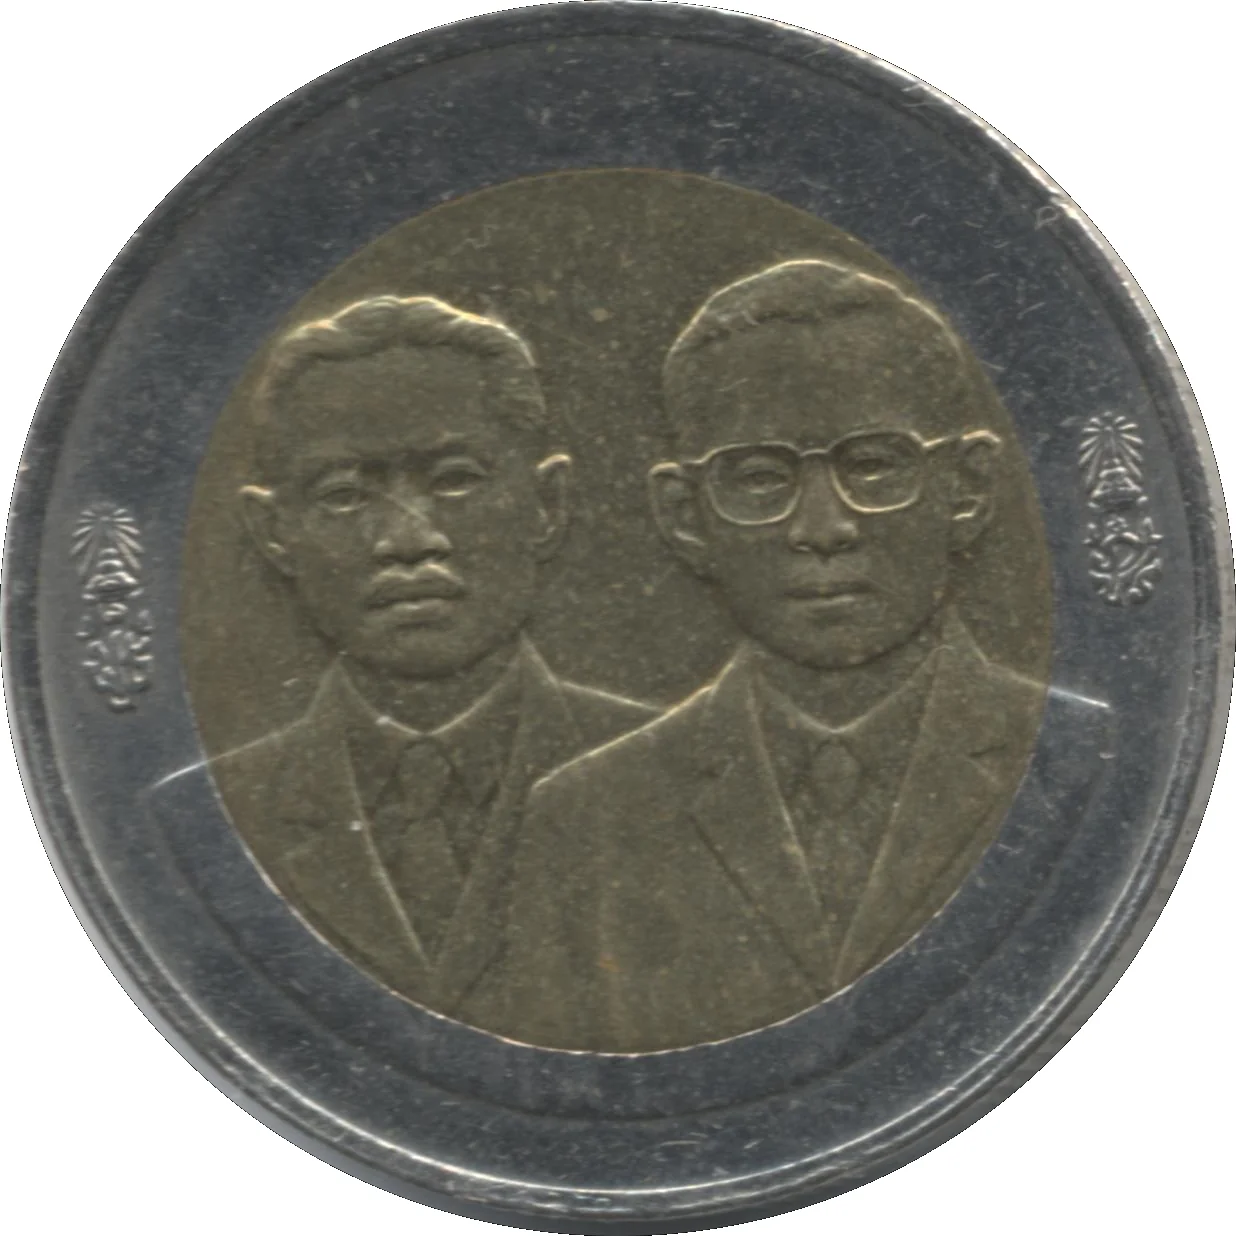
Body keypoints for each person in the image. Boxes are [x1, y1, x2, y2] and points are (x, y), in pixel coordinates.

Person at [499, 259, 1104, 1051]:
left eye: (873, 465)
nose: (823, 527)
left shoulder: (1083, 762)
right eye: (759, 477)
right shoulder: (590, 817)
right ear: (683, 516)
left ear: (966, 486)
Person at [155, 295, 654, 1022]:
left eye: (455, 479)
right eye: (344, 494)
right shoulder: (200, 825)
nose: (408, 540)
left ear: (548, 502)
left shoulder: (677, 784)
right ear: (273, 532)